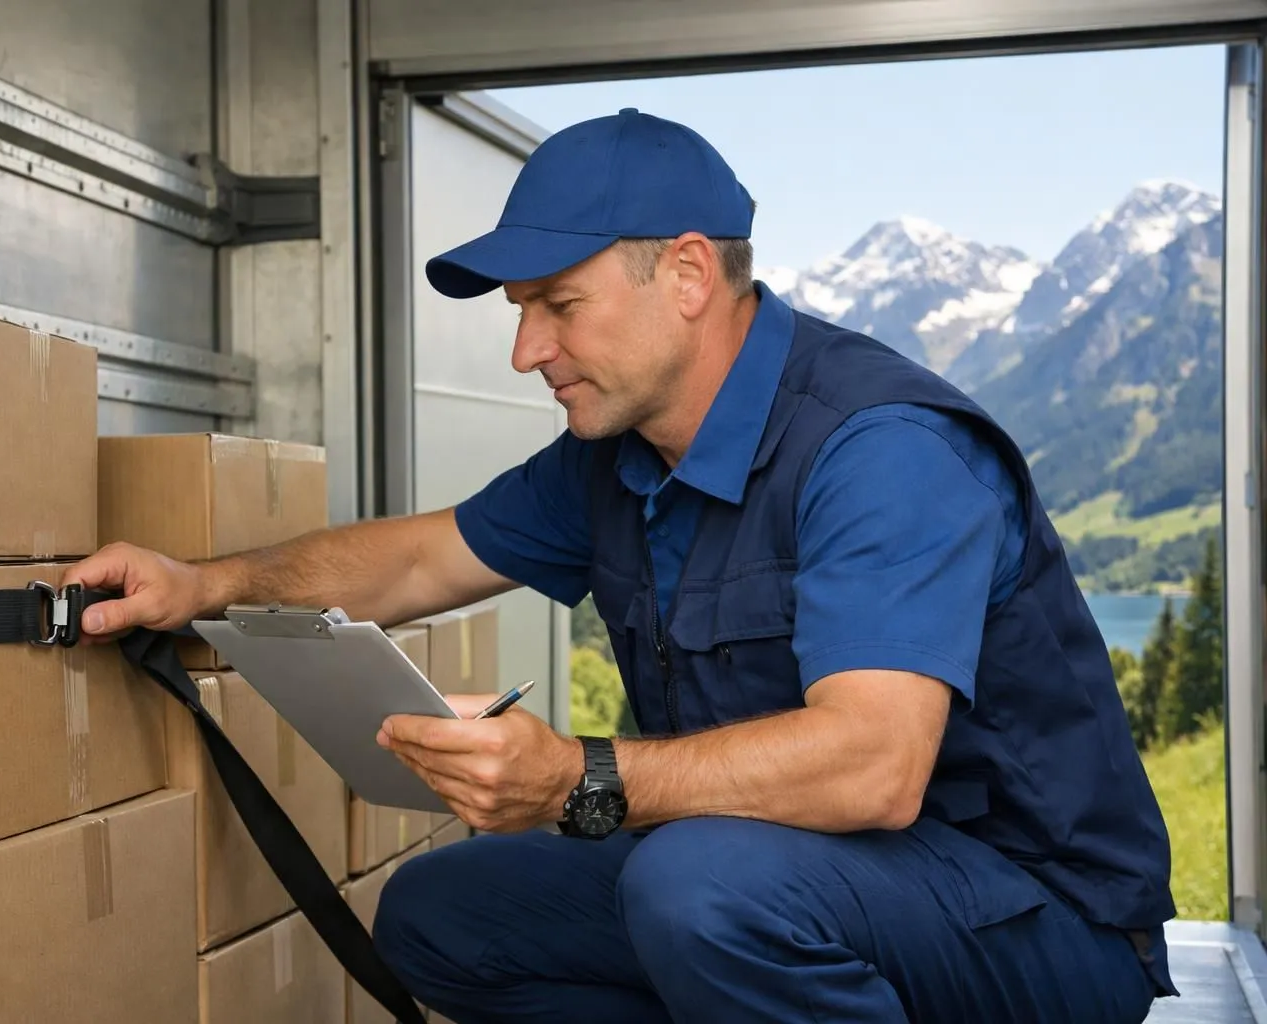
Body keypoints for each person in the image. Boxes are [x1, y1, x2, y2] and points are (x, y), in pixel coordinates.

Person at [65, 108, 1178, 1023]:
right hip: (793, 886)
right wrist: (205, 585)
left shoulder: (880, 448)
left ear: (688, 274)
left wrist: (579, 777)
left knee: (695, 884)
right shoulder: (616, 454)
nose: (526, 350)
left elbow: (874, 767)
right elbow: (412, 561)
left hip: (1036, 924)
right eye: (520, 313)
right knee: (439, 913)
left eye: (559, 305)